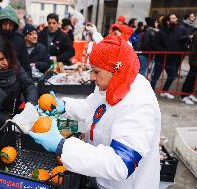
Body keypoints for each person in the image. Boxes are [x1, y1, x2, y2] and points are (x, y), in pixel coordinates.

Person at [27, 35, 161, 188]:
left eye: (96, 71)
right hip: (99, 176)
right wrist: (64, 106)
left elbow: (120, 163)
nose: (91, 77)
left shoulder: (139, 104)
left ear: (115, 70)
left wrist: (63, 146)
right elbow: (92, 107)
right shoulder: (114, 82)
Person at [0, 32, 38, 125]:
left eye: (7, 57)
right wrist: (7, 121)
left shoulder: (15, 65)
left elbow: (29, 86)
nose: (6, 63)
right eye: (0, 59)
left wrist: (30, 105)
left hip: (22, 117)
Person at [0, 5, 31, 76]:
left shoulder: (19, 39)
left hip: (14, 78)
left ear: (14, 25)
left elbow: (25, 64)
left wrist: (29, 83)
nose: (7, 27)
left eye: (10, 24)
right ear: (0, 24)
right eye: (5, 24)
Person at [150, 13, 182, 99]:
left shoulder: (176, 31)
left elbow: (178, 43)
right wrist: (165, 52)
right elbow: (155, 45)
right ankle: (150, 94)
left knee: (172, 76)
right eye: (174, 18)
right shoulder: (160, 32)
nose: (176, 19)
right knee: (155, 77)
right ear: (168, 21)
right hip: (160, 59)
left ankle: (164, 91)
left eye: (176, 18)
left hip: (171, 60)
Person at [180, 31, 197, 105]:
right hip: (195, 61)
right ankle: (184, 96)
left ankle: (189, 94)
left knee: (193, 79)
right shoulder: (196, 34)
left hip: (195, 60)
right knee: (190, 78)